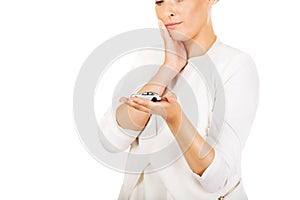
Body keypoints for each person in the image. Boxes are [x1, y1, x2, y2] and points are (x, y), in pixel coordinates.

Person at [98, 0, 259, 199]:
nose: (167, 11)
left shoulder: (235, 65)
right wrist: (168, 68)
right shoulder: (147, 58)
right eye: (159, 1)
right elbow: (111, 140)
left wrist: (176, 119)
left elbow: (217, 179)